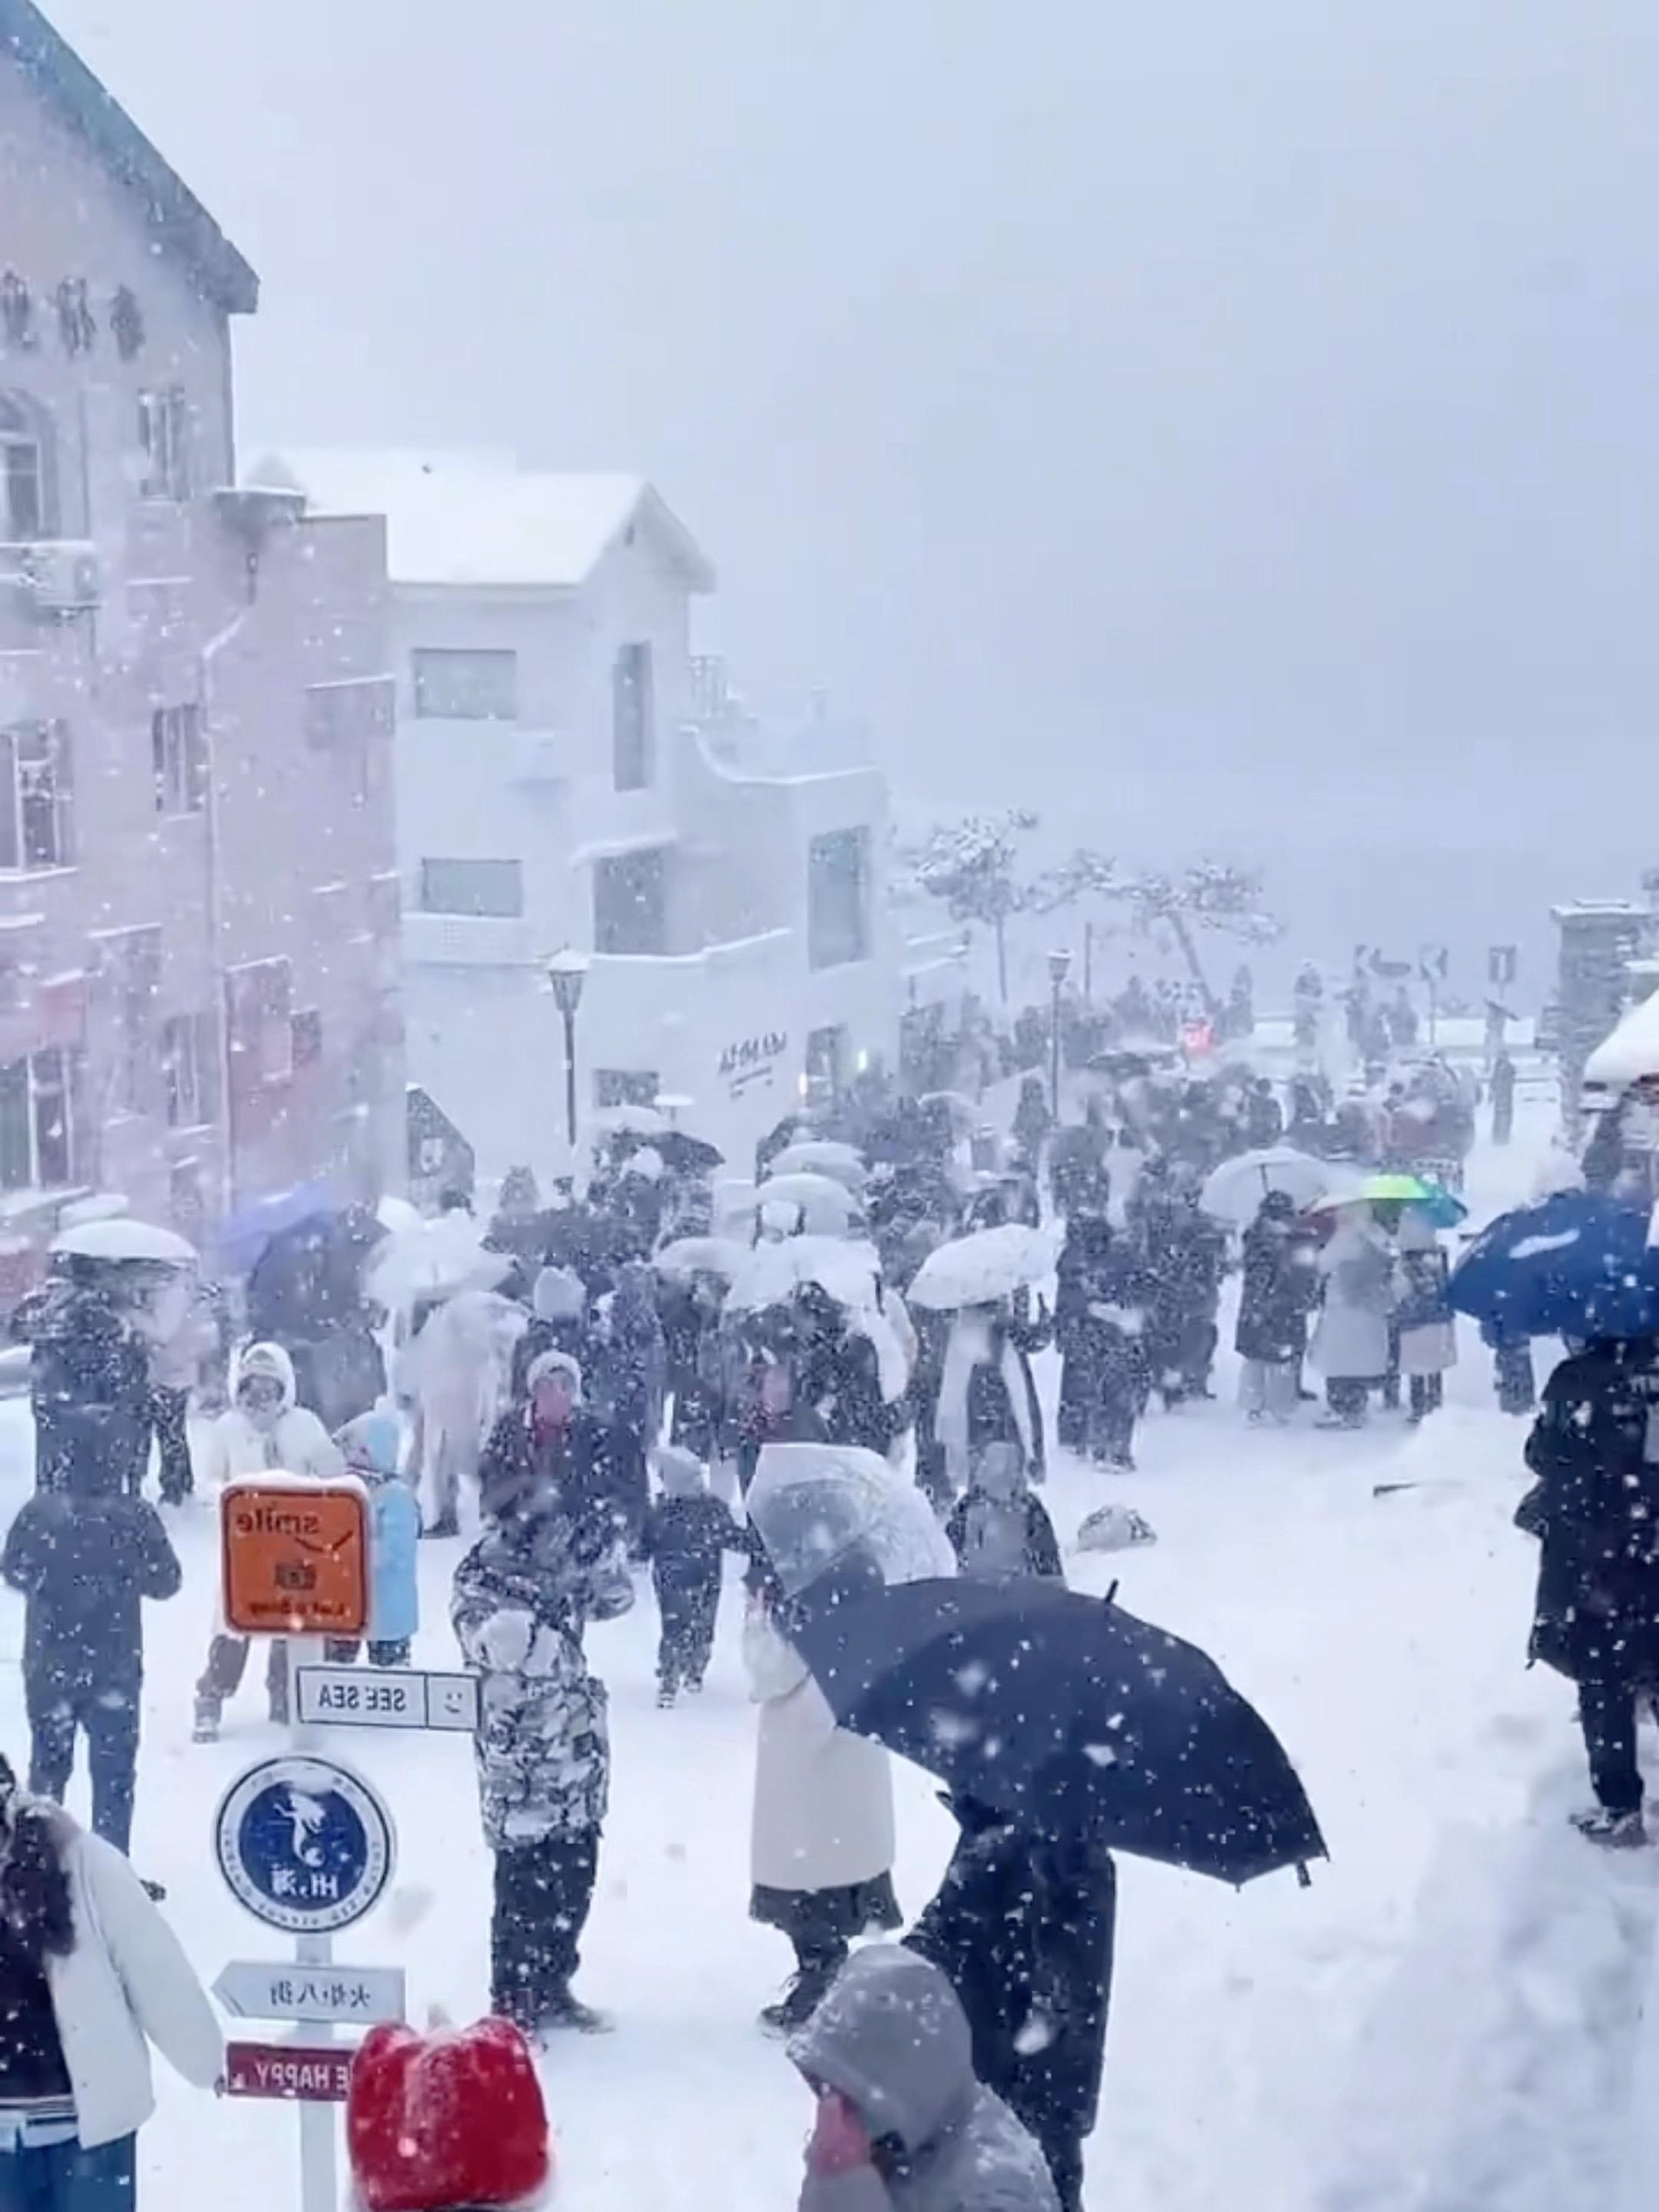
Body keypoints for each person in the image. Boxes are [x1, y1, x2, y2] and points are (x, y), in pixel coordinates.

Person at [452, 1376, 634, 2034]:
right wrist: (513, 1637)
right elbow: (475, 1637)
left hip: (575, 1751)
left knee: (575, 1873)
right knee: (522, 1883)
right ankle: (513, 1999)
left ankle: (555, 1983)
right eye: (526, 1515)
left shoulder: (565, 1553)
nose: (538, 1527)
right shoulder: (483, 1571)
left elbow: (614, 1601)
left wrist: (604, 1557)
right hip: (518, 1756)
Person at [0, 1755, 221, 2210]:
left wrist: (203, 2058)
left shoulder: (82, 1861)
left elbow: (152, 1965)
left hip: (90, 2127)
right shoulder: (86, 1859)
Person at [908, 1800, 1115, 2212]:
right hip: (994, 2073)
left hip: (1034, 2082)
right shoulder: (991, 1841)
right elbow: (944, 1931)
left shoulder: (1069, 1860)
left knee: (1043, 2180)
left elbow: (1072, 1979)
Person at [2, 1448, 181, 1857]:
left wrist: (54, 1579)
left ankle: (40, 1868)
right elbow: (167, 1582)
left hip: (50, 1665)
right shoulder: (134, 1515)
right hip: (114, 1665)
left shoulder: (40, 1513)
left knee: (47, 1773)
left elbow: (13, 1569)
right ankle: (111, 1871)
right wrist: (122, 1572)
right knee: (114, 1778)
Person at [788, 1945, 1061, 2212]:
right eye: (824, 2087)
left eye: (847, 2092)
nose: (829, 2108)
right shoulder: (907, 2122)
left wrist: (845, 2186)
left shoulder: (992, 2192)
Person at [746, 1569, 899, 2032]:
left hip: (804, 1769)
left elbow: (770, 1670)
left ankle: (819, 1984)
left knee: (808, 1885)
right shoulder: (861, 1597)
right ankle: (825, 1977)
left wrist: (757, 1620)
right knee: (836, 1872)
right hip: (847, 1765)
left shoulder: (797, 1601)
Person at [1519, 1337, 1659, 1844]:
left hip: (1598, 1558)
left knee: (1606, 1682)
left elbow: (1545, 1455)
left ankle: (1621, 1809)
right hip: (1654, 1545)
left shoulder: (1577, 1379)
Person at [191, 1342, 346, 1742]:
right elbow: (206, 1482)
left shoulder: (305, 1425)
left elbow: (332, 1471)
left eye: (268, 1389)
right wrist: (228, 1497)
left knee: (290, 1623)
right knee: (233, 1623)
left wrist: (316, 1487)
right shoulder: (228, 1429)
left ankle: (286, 1696)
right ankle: (211, 1697)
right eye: (250, 1388)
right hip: (246, 1548)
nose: (258, 1398)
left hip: (296, 1547)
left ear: (285, 1389)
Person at [13, 1261, 154, 1500]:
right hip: (83, 1399)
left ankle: (49, 1502)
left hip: (50, 1395)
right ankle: (90, 1507)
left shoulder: (43, 1306)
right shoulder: (92, 1307)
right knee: (90, 1463)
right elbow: (107, 1355)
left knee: (51, 1456)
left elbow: (20, 1333)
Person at [639, 1445, 746, 1704]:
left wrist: (637, 1552)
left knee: (673, 1626)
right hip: (706, 1575)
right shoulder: (712, 1510)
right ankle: (694, 1669)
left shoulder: (662, 1512)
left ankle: (670, 1674)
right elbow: (734, 1538)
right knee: (703, 1624)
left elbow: (644, 1544)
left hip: (670, 1578)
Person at [326, 1412, 421, 1668]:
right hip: (346, 1603)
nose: (350, 1457)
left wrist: (346, 1554)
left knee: (390, 1674)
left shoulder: (396, 1497)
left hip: (388, 1605)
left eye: (359, 1450)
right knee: (334, 1668)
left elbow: (394, 1550)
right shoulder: (346, 1489)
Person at [1055, 1216, 1148, 1470]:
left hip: (1087, 1336)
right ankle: (1114, 1449)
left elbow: (1066, 1302)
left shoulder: (1073, 1261)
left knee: (1089, 1391)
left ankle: (1090, 1441)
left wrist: (1066, 1327)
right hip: (1112, 1336)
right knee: (1115, 1393)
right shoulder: (1122, 1260)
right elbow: (1142, 1290)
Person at [1235, 1193, 1320, 1424]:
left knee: (1260, 1356)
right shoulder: (1272, 1241)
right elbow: (1295, 1274)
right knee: (1278, 1357)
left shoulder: (1260, 1237)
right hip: (1279, 1304)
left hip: (1264, 1305)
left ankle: (1256, 1404)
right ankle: (1276, 1405)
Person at [1309, 1207, 1396, 1428]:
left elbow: (1321, 1264)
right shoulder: (1375, 1236)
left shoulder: (1345, 1239)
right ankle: (1357, 1405)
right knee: (1359, 1361)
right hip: (1369, 1307)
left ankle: (1341, 1408)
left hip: (1343, 1307)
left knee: (1339, 1361)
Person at [945, 1441, 1062, 1581]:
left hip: (1020, 1596)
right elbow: (947, 1553)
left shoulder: (1030, 1510)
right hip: (972, 1594)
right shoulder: (968, 1506)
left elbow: (1050, 1571)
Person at [1394, 1209, 1455, 1422]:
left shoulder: (1406, 1263)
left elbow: (1399, 1289)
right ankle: (1435, 1401)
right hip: (1437, 1317)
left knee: (1416, 1365)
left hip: (1413, 1320)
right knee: (1434, 1363)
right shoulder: (1438, 1256)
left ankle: (1418, 1406)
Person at [1012, 1075, 1051, 1168]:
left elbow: (1048, 1124)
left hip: (1042, 1148)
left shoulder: (1044, 1111)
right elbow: (1017, 1129)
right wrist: (1022, 1136)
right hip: (1028, 1148)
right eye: (1033, 1097)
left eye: (1039, 1097)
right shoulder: (1023, 1112)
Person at [1490, 1048, 1517, 1146]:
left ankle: (1504, 1136)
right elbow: (1493, 1080)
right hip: (1500, 1095)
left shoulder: (1510, 1068)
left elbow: (1510, 1081)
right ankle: (1497, 1136)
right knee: (1498, 1116)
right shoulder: (1497, 1067)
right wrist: (1493, 1091)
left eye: (1503, 1055)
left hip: (1506, 1095)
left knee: (1505, 1116)